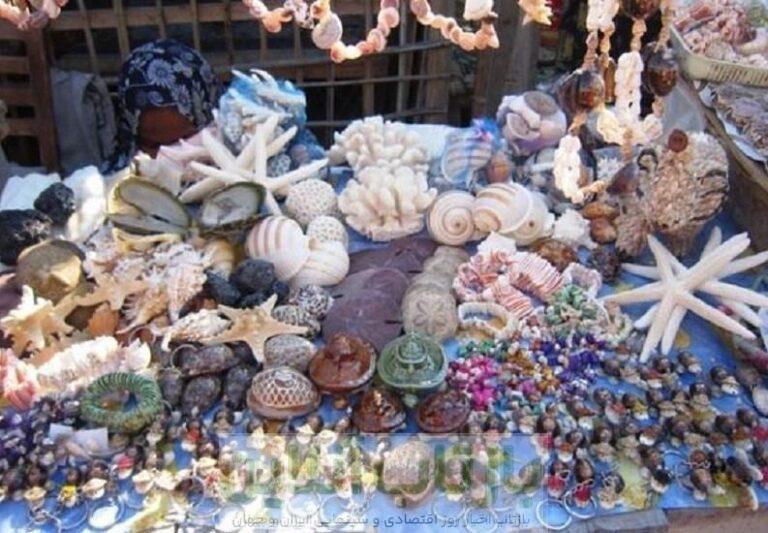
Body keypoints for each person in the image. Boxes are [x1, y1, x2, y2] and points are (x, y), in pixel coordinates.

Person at [104, 39, 221, 173]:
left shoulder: (236, 172)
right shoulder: (114, 180)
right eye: (154, 146)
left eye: (183, 141)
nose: (170, 157)